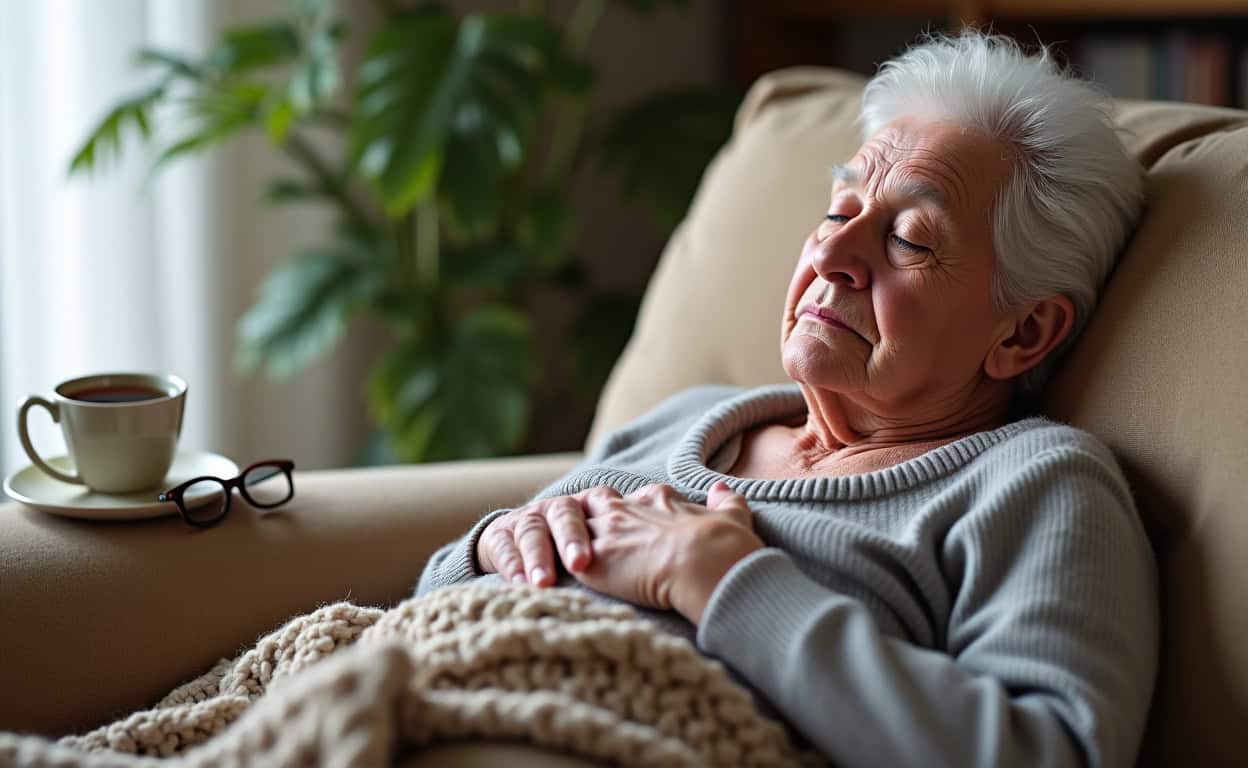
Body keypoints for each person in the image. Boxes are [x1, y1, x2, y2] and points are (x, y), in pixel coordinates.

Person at [417, 32, 1156, 768]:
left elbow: (1051, 753)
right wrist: (492, 547)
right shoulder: (685, 417)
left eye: (908, 239)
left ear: (1023, 331)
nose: (832, 256)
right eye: (840, 212)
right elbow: (430, 608)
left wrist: (723, 579)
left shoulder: (1036, 485)